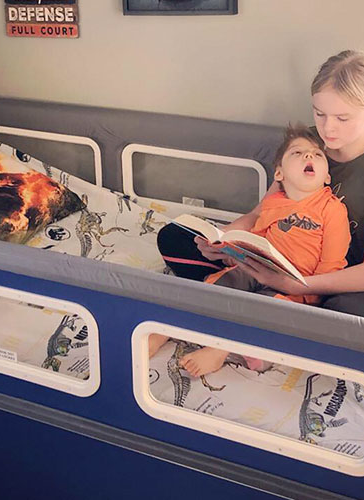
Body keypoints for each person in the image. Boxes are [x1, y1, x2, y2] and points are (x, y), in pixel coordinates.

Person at [212, 50, 364, 322]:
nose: (327, 129)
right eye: (320, 114)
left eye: (342, 118)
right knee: (180, 246)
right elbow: (259, 214)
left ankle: (278, 311)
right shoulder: (307, 143)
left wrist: (297, 285)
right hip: (292, 261)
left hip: (357, 281)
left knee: (342, 318)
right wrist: (220, 238)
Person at [150, 124, 351, 376]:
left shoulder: (331, 209)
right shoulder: (273, 202)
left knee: (269, 314)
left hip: (294, 288)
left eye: (317, 155)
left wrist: (309, 296)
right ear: (279, 174)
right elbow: (255, 237)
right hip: (257, 269)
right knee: (218, 286)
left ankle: (222, 349)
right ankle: (168, 329)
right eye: (297, 153)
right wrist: (226, 248)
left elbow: (332, 262)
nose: (308, 156)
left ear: (327, 176)